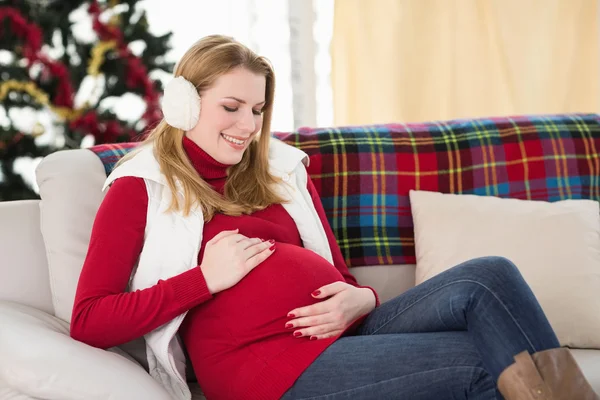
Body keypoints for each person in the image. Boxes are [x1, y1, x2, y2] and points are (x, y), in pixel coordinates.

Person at [70, 35, 598, 400]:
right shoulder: (141, 187)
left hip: (347, 330)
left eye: (257, 110)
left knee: (491, 276)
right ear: (184, 103)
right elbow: (90, 320)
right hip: (264, 366)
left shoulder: (279, 172)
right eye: (231, 107)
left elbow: (338, 274)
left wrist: (361, 297)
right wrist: (202, 279)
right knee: (489, 364)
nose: (247, 125)